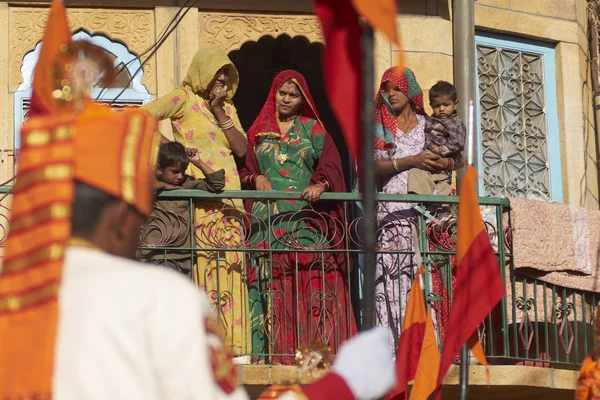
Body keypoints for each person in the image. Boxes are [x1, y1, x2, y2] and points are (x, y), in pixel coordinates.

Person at [239, 70, 356, 364]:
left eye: (293, 95)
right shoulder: (258, 131)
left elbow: (331, 164)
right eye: (282, 93)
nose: (287, 99)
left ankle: (319, 355)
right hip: (267, 223)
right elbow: (241, 169)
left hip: (303, 220)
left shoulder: (311, 128)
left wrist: (321, 185)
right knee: (269, 285)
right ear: (273, 94)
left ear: (302, 99)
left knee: (314, 281)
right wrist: (255, 178)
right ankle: (272, 357)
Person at [142, 45, 249, 357]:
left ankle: (237, 348)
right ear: (204, 71)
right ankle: (207, 348)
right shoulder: (183, 98)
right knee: (207, 269)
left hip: (231, 199)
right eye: (219, 75)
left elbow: (241, 150)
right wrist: (174, 150)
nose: (223, 84)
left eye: (227, 79)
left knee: (232, 267)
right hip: (203, 200)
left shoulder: (227, 109)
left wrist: (219, 111)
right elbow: (141, 117)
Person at [373, 67, 459, 353]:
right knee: (393, 280)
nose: (391, 94)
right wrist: (411, 160)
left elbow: (457, 158)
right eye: (386, 89)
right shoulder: (380, 127)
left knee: (429, 278)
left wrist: (443, 164)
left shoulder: (429, 123)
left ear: (409, 90)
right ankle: (395, 351)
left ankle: (430, 348)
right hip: (392, 215)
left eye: (396, 88)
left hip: (427, 213)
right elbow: (370, 166)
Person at [139, 142, 225, 278]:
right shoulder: (150, 182)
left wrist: (198, 162)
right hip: (155, 253)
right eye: (175, 172)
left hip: (183, 254)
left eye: (183, 171)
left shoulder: (186, 184)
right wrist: (163, 186)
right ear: (158, 170)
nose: (180, 176)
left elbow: (217, 184)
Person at [407, 80, 466, 195]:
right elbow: (426, 136)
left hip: (443, 161)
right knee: (418, 174)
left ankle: (443, 207)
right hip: (428, 158)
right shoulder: (430, 120)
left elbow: (458, 142)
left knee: (442, 183)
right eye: (437, 106)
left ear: (455, 103)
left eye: (446, 105)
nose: (442, 109)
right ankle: (422, 201)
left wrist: (440, 150)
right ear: (431, 106)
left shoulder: (455, 122)